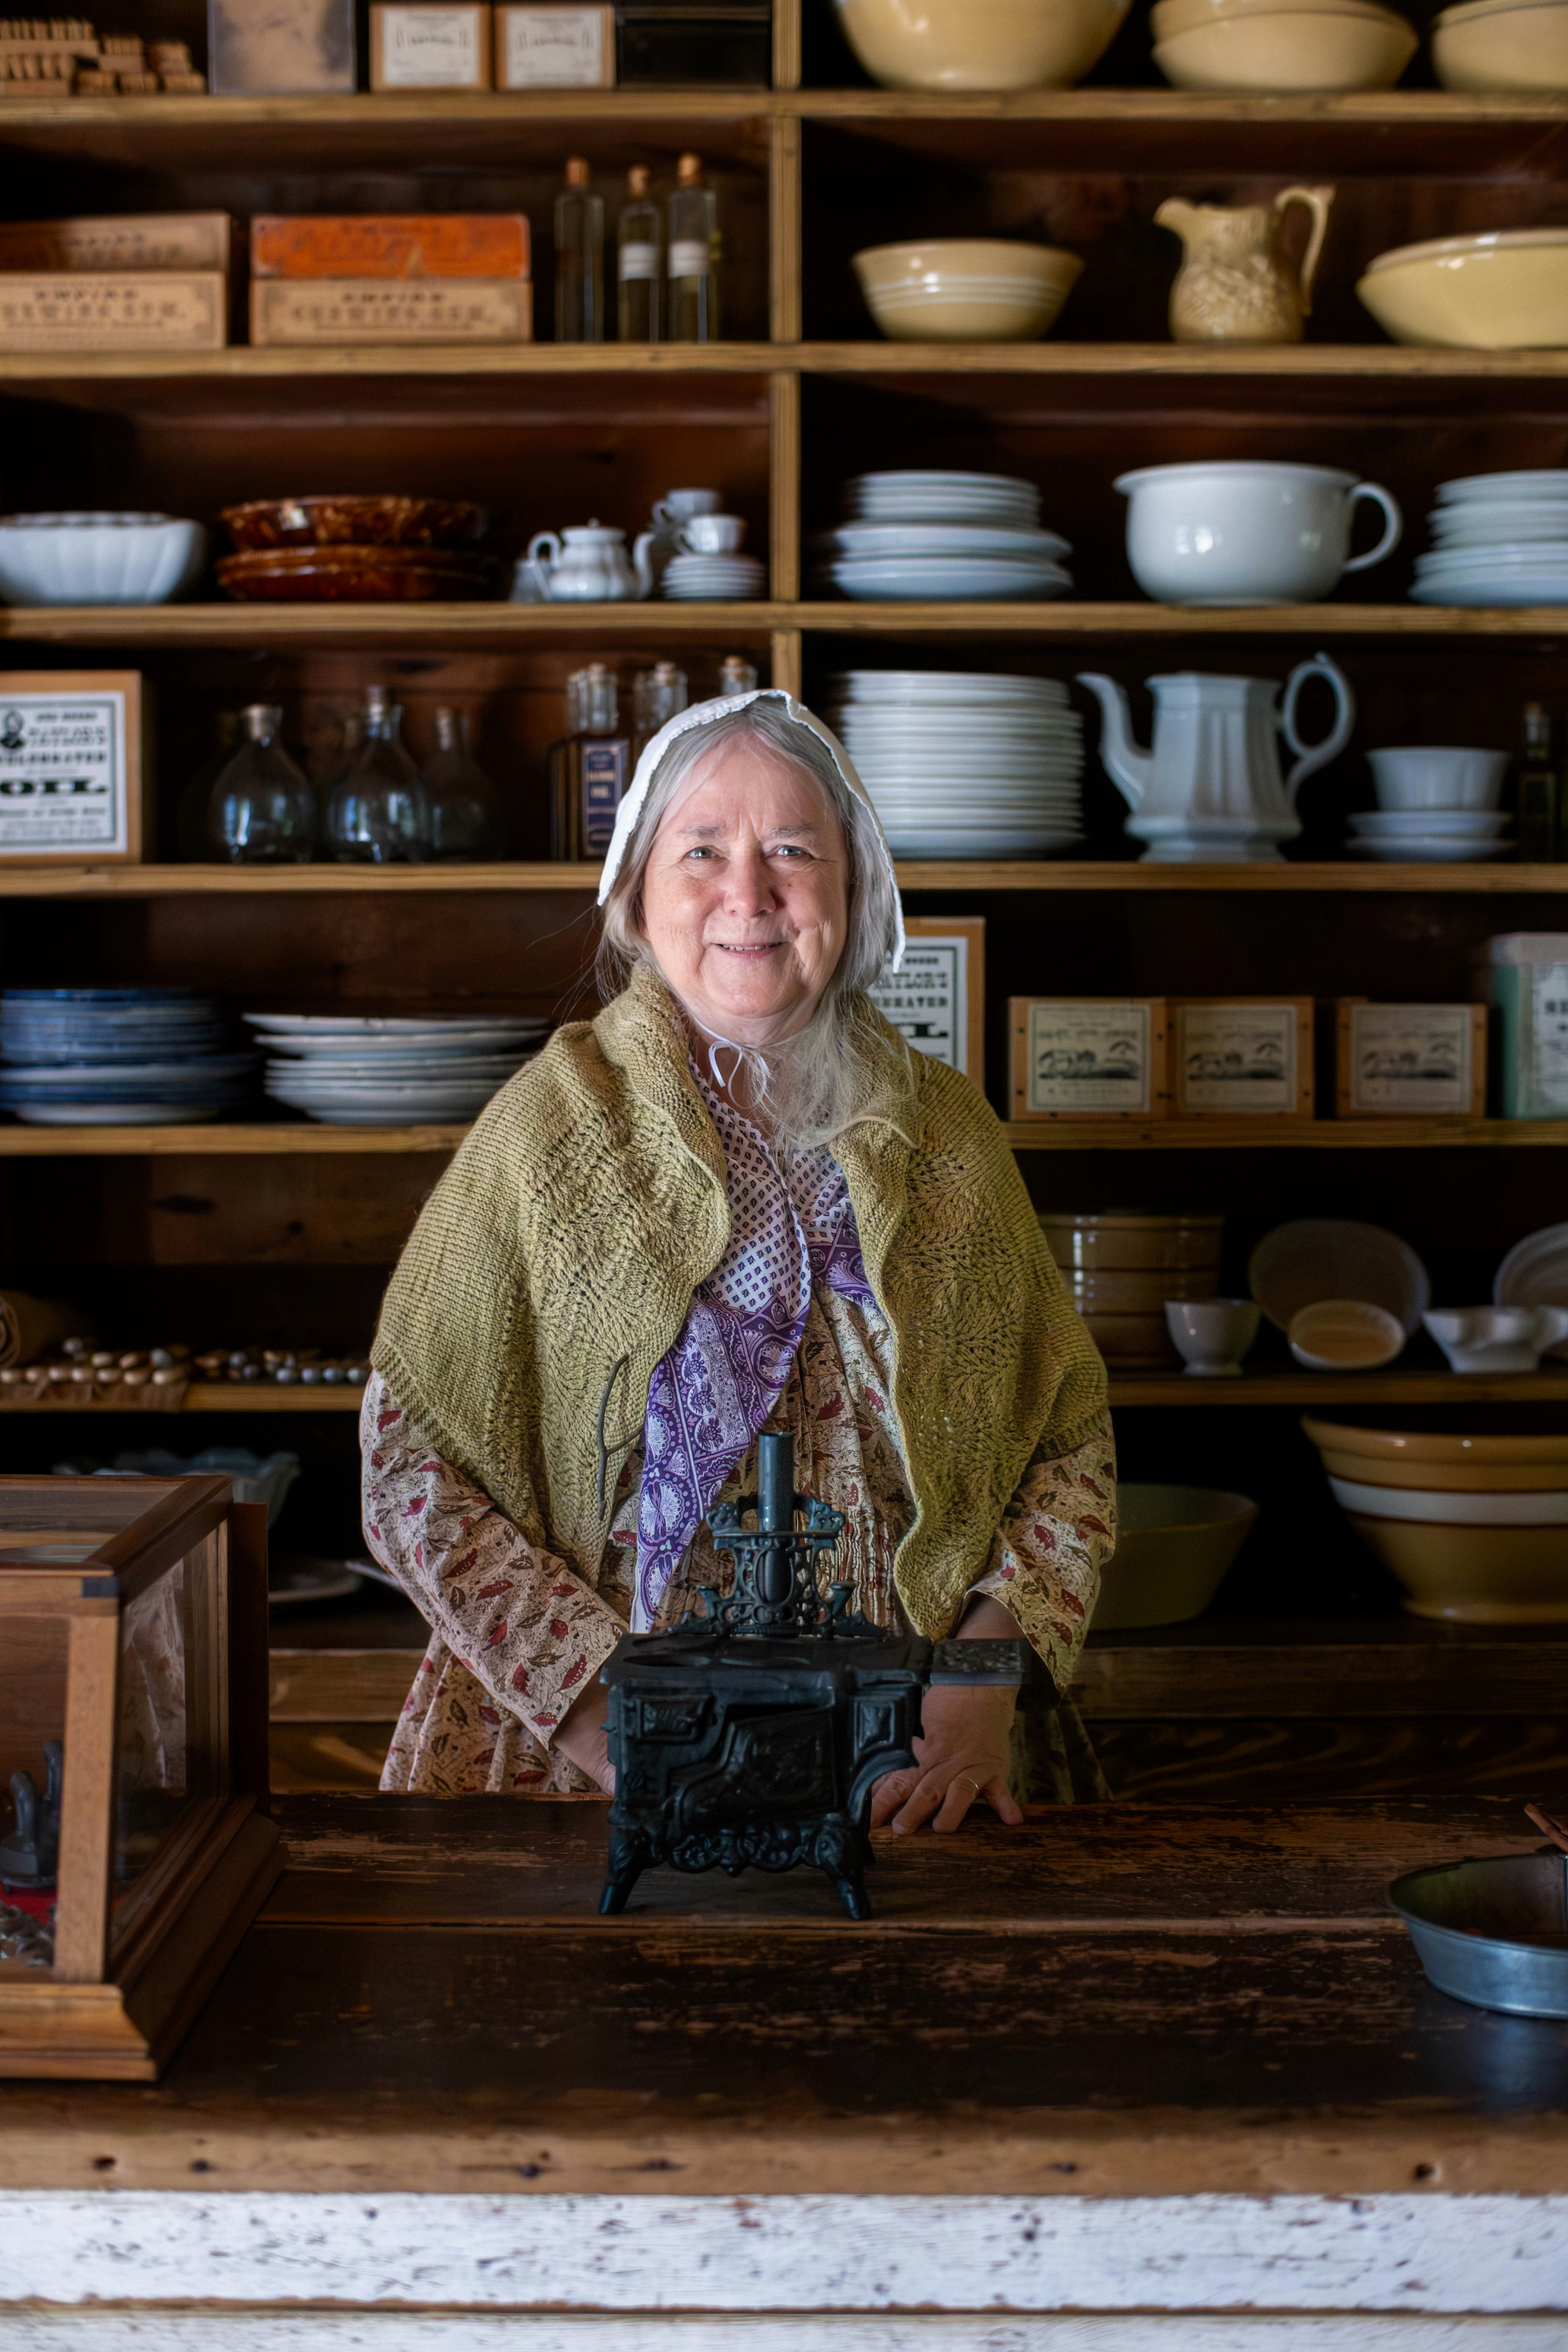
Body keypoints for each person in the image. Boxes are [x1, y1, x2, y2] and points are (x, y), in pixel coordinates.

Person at [362, 688, 1116, 1831]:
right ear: (634, 896)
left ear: (854, 890)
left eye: (793, 851)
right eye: (702, 849)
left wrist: (978, 1687)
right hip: (598, 1774)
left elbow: (1068, 1444)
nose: (749, 895)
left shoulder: (947, 1135)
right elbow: (409, 1462)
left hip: (918, 1775)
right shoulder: (549, 1134)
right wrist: (596, 1713)